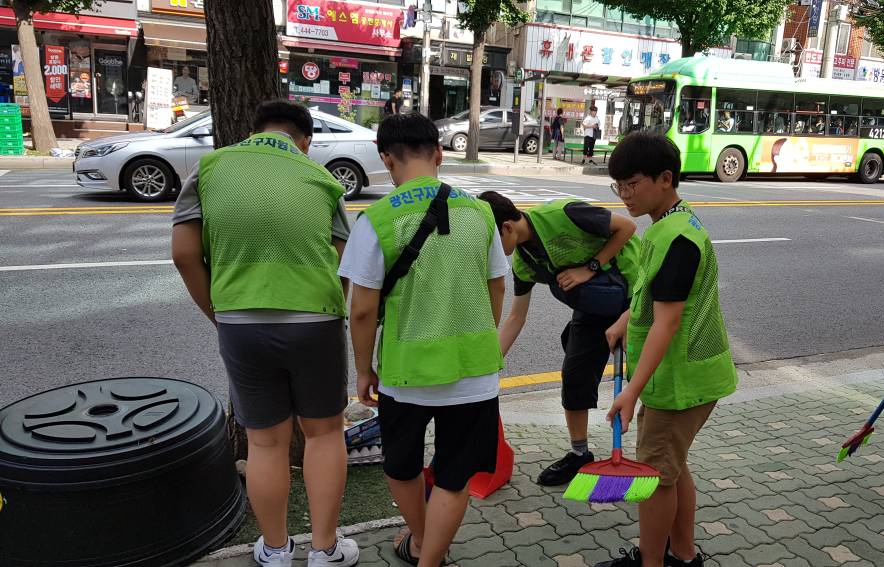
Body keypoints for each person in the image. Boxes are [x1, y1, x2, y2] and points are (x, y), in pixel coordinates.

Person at [171, 100, 359, 567]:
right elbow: (344, 261)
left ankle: (275, 550)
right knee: (323, 434)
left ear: (252, 132)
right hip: (315, 321)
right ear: (305, 140)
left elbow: (183, 254)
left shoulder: (210, 168)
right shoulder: (322, 180)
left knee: (264, 442)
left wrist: (219, 312)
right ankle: (325, 550)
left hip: (240, 320)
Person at [340, 113, 507, 567]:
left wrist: (362, 369)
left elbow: (361, 309)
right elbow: (496, 287)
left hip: (405, 372)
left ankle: (419, 540)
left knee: (402, 466)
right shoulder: (480, 212)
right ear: (438, 154)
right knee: (454, 478)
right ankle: (430, 558)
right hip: (474, 372)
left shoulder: (376, 219)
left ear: (386, 159)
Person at [596, 132, 738, 567]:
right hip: (684, 376)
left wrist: (630, 391)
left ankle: (652, 562)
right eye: (618, 185)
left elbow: (669, 321)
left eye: (633, 183)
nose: (624, 195)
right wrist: (624, 319)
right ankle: (683, 554)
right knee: (673, 467)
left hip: (677, 382)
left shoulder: (677, 239)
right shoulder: (670, 222)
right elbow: (653, 297)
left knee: (655, 476)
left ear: (665, 179)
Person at [477, 191, 640, 487]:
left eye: (491, 244)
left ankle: (653, 453)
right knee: (575, 375)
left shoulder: (564, 215)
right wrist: (488, 362)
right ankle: (579, 454)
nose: (492, 254)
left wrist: (589, 267)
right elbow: (516, 317)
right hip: (594, 306)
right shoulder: (524, 263)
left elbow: (627, 227)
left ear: (507, 228)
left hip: (634, 296)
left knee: (644, 377)